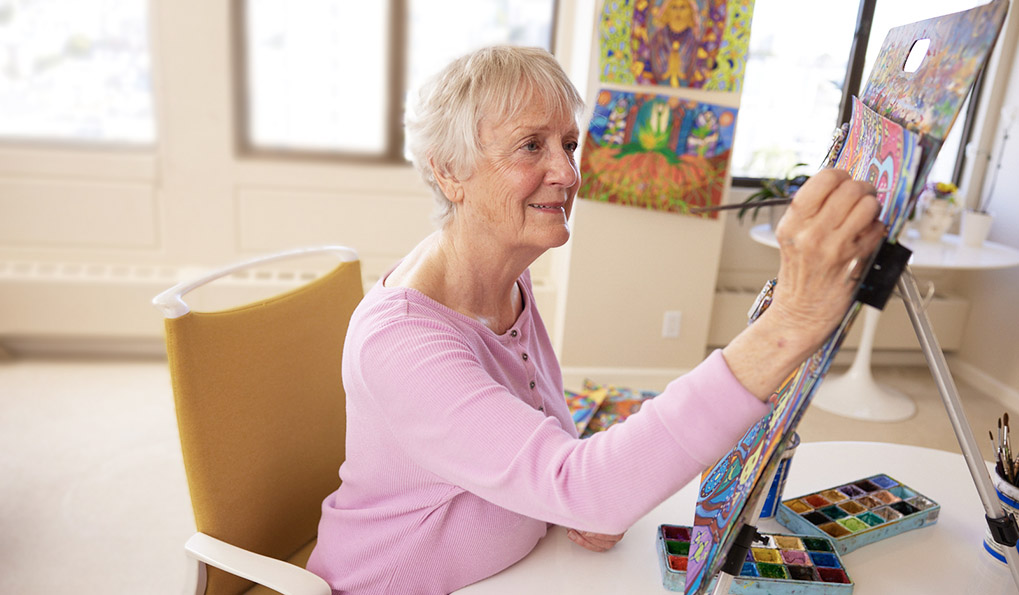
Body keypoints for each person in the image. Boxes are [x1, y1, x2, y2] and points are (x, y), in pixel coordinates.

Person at [306, 46, 884, 594]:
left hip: (515, 571)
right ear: (450, 172)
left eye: (569, 144)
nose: (567, 171)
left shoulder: (505, 272)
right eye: (531, 146)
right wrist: (791, 322)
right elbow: (584, 486)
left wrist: (564, 504)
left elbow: (544, 439)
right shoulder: (402, 340)